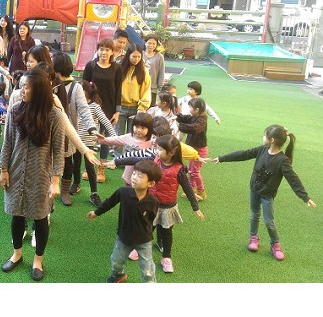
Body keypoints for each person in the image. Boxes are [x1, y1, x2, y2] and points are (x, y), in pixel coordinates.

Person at [209, 125, 316, 261]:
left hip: (267, 196)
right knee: (254, 214)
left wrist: (305, 197)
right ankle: (254, 238)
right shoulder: (261, 150)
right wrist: (222, 158)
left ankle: (275, 245)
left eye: (265, 135)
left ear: (272, 140)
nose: (263, 137)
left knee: (269, 221)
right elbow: (243, 154)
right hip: (254, 191)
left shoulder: (283, 161)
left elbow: (293, 179)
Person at [0, 68, 66, 282]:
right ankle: (17, 254)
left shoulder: (54, 115)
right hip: (15, 172)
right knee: (17, 215)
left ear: (38, 89)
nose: (22, 90)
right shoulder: (15, 109)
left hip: (40, 176)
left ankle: (38, 260)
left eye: (26, 87)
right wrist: (3, 170)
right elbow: (8, 142)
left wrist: (55, 181)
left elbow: (58, 151)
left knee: (40, 217)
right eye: (21, 86)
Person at [111, 135, 205, 273]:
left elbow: (187, 187)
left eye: (160, 149)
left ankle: (166, 257)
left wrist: (195, 207)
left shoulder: (179, 169)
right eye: (156, 148)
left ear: (171, 152)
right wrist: (116, 161)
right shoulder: (154, 160)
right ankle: (139, 248)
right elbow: (135, 159)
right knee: (146, 229)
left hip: (168, 208)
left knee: (166, 233)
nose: (156, 151)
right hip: (151, 205)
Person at [87, 160, 161, 283]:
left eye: (140, 176)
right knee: (116, 261)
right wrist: (96, 212)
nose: (134, 177)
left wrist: (148, 233)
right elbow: (109, 203)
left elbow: (152, 220)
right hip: (124, 236)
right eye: (134, 173)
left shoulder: (153, 202)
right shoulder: (123, 192)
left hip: (144, 240)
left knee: (147, 269)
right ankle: (118, 275)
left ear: (151, 183)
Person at [52, 51, 98, 207]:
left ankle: (65, 191)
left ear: (58, 68)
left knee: (67, 163)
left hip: (68, 133)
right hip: (50, 131)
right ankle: (48, 188)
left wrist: (91, 127)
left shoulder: (75, 87)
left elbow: (84, 109)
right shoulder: (50, 83)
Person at [82, 38, 122, 174]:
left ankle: (101, 169)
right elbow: (84, 87)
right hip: (91, 107)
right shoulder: (90, 66)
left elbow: (118, 89)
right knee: (90, 137)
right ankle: (89, 167)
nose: (104, 52)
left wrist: (117, 111)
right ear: (97, 50)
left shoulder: (117, 68)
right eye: (101, 49)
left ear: (112, 52)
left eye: (107, 50)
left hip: (109, 108)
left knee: (105, 138)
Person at [78, 80, 117, 205]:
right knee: (74, 164)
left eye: (80, 90)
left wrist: (115, 138)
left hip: (88, 142)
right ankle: (76, 184)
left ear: (87, 92)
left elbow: (106, 122)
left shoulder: (94, 107)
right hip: (75, 141)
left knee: (90, 167)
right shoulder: (75, 103)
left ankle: (94, 193)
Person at [97, 112, 154, 186]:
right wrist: (100, 140)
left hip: (144, 178)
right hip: (129, 176)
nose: (139, 130)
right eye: (136, 127)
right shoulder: (129, 137)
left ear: (149, 129)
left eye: (143, 128)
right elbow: (116, 139)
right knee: (128, 190)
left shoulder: (152, 142)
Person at [176, 97, 208, 201]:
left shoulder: (202, 120)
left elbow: (194, 128)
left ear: (197, 109)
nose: (189, 110)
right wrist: (177, 116)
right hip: (193, 148)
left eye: (190, 108)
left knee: (195, 172)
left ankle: (201, 192)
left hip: (199, 150)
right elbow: (186, 118)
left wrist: (180, 127)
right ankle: (192, 189)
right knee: (191, 171)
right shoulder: (195, 116)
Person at [117, 43, 151, 136]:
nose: (136, 59)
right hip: (120, 108)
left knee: (133, 136)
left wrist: (141, 109)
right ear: (128, 55)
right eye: (134, 56)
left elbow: (146, 92)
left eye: (139, 57)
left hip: (136, 109)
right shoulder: (119, 69)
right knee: (118, 136)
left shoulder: (144, 72)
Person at [142, 34, 165, 105]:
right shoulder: (140, 54)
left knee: (151, 109)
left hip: (152, 89)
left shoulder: (159, 57)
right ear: (145, 43)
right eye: (149, 43)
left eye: (154, 44)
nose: (151, 45)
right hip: (139, 87)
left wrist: (160, 88)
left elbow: (161, 72)